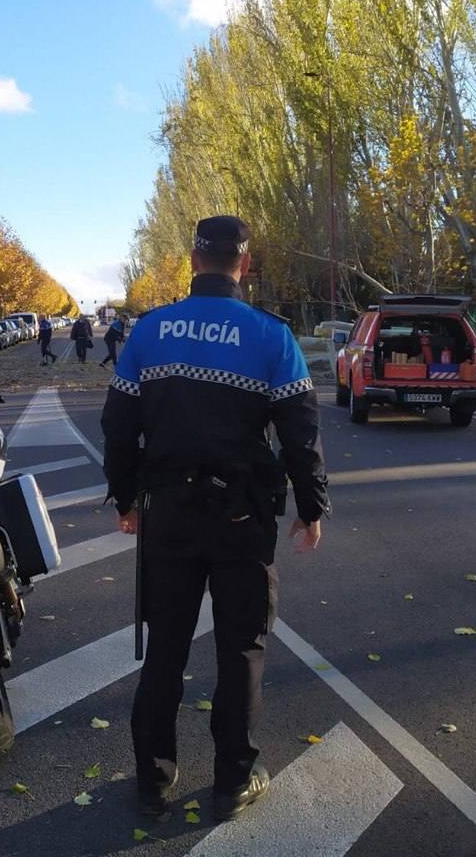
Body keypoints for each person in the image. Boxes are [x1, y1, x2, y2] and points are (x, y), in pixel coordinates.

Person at [100, 215, 328, 822]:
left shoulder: (149, 333)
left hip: (169, 516)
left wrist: (125, 500)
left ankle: (152, 779)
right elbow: (301, 433)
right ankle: (233, 782)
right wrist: (312, 507)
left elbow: (118, 427)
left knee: (166, 650)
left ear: (193, 259)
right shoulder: (272, 337)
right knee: (241, 650)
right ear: (244, 264)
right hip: (241, 517)